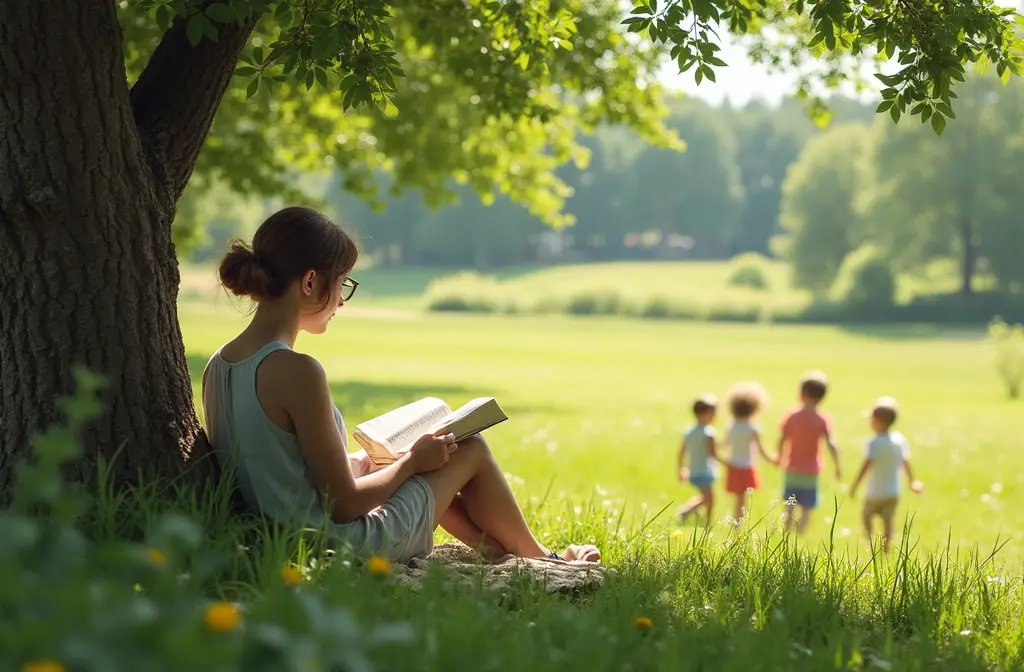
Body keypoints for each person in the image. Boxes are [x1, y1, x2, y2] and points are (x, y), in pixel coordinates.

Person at [201, 206, 600, 565]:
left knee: (392, 457)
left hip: (276, 540)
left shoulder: (219, 365)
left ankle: (492, 547)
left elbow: (281, 471)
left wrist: (385, 458)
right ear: (309, 282)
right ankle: (543, 559)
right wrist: (412, 461)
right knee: (470, 449)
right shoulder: (298, 371)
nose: (341, 301)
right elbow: (344, 505)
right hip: (337, 545)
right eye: (342, 283)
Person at [849, 396, 924, 553]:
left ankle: (869, 542)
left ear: (878, 421)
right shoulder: (899, 440)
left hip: (875, 491)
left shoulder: (874, 443)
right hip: (893, 490)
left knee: (867, 515)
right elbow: (906, 463)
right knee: (888, 520)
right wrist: (912, 482)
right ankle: (886, 547)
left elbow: (866, 466)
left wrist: (855, 485)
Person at [777, 370, 841, 534]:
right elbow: (831, 443)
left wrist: (779, 457)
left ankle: (786, 533)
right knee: (806, 507)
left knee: (789, 505)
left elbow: (782, 438)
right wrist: (838, 465)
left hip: (792, 467)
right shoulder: (821, 419)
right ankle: (800, 536)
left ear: (801, 393)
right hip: (811, 470)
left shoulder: (792, 415)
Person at [722, 381, 777, 525]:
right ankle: (737, 524)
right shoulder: (752, 428)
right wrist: (773, 460)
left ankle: (736, 523)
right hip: (746, 467)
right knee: (742, 499)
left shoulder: (731, 426)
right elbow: (761, 450)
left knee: (738, 498)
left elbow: (724, 444)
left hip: (733, 465)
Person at [676, 394, 719, 524]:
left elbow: (681, 452)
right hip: (705, 471)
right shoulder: (709, 433)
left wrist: (681, 469)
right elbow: (713, 454)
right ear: (704, 414)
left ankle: (690, 513)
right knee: (709, 498)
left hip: (693, 470)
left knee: (706, 497)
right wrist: (728, 463)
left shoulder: (689, 431)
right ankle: (706, 521)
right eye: (713, 413)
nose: (715, 417)